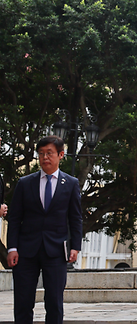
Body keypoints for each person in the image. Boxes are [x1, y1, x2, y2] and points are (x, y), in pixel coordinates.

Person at [6, 135, 82, 324]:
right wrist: (12, 248)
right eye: (41, 154)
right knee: (23, 302)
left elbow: (75, 217)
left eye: (49, 153)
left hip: (56, 251)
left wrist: (75, 246)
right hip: (26, 250)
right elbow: (15, 218)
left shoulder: (71, 183)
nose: (44, 157)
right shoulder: (25, 183)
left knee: (54, 303)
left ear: (61, 155)